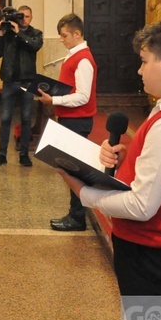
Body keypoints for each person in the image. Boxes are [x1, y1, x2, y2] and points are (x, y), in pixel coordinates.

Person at [57, 17, 161, 320]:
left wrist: (84, 192)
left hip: (158, 258)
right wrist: (129, 158)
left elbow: (142, 205)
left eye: (144, 62)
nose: (139, 71)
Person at [36, 13, 97, 232]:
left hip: (78, 121)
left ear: (77, 34)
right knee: (71, 169)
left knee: (75, 171)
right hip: (70, 119)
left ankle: (77, 218)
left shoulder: (83, 60)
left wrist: (54, 99)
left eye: (64, 36)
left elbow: (83, 96)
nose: (61, 40)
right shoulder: (74, 56)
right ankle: (74, 214)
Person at [0, 5, 43, 167]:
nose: (24, 19)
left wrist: (18, 32)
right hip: (9, 82)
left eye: (27, 16)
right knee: (5, 118)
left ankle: (24, 154)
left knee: (26, 118)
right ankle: (1, 154)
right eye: (21, 16)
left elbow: (34, 46)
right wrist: (0, 34)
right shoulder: (7, 34)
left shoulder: (36, 33)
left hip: (27, 82)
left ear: (31, 18)